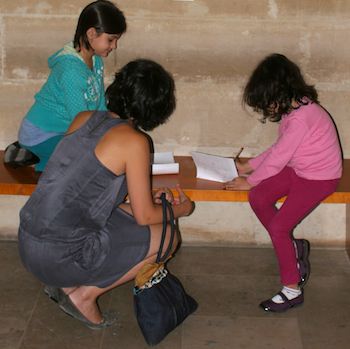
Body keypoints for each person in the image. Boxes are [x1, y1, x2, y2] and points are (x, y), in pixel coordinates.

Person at [18, 59, 195, 329]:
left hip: (29, 245)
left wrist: (146, 194)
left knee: (138, 216)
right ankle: (84, 296)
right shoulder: (135, 142)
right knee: (168, 235)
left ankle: (65, 285)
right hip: (59, 256)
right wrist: (183, 209)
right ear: (154, 106)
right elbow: (145, 215)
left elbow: (82, 185)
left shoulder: (85, 118)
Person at [225, 53, 342, 312]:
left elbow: (279, 158)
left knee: (278, 227)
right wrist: (250, 165)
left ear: (279, 92)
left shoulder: (301, 116)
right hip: (300, 169)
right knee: (258, 197)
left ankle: (292, 290)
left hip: (321, 178)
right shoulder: (297, 106)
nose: (267, 109)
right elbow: (281, 148)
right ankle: (293, 248)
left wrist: (251, 180)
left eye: (267, 103)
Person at [11, 0, 126, 172]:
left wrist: (112, 124)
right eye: (111, 40)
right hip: (42, 134)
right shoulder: (71, 70)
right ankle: (39, 161)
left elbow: (100, 102)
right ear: (91, 33)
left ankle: (41, 156)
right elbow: (79, 119)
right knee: (88, 159)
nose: (114, 46)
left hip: (65, 131)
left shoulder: (96, 61)